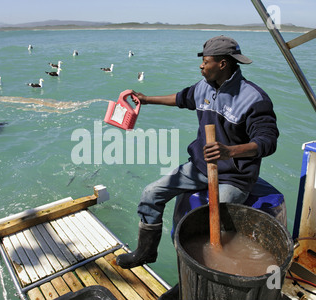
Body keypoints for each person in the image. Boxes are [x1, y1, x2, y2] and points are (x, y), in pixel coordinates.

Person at [116, 35, 279, 269]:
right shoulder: (204, 87)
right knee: (151, 193)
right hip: (200, 167)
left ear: (222, 64)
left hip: (235, 176)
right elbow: (182, 98)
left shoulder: (254, 98)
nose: (201, 65)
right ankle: (146, 251)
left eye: (206, 61)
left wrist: (229, 151)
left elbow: (268, 141)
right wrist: (146, 99)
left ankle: (197, 272)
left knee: (204, 222)